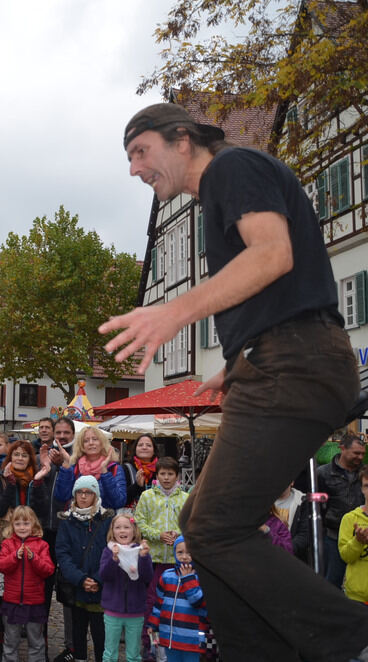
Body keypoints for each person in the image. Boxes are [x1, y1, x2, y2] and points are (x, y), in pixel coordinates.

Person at [105, 102, 368, 660]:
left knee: (215, 528)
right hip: (282, 361)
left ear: (182, 140)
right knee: (196, 521)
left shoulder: (231, 168)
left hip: (295, 365)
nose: (134, 169)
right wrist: (237, 362)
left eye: (140, 152)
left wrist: (173, 313)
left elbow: (273, 254)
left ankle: (350, 636)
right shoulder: (221, 189)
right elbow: (282, 290)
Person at [132, 456, 187, 661]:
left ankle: (173, 645)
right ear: (157, 475)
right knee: (151, 603)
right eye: (162, 473)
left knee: (174, 604)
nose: (166, 478)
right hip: (153, 559)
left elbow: (190, 524)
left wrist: (177, 536)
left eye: (170, 474)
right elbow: (139, 523)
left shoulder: (185, 498)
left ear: (177, 476)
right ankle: (150, 646)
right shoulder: (147, 496)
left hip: (176, 561)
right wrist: (158, 534)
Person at [56, 475, 113, 662]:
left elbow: (111, 552)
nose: (83, 496)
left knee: (100, 635)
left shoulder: (106, 520)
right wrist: (80, 579)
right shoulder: (66, 521)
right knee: (78, 633)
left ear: (95, 495)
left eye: (88, 492)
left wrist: (97, 579)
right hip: (76, 588)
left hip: (100, 588)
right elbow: (62, 554)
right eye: (79, 492)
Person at [0, 506, 54, 662]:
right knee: (11, 641)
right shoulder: (8, 544)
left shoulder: (42, 545)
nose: (22, 527)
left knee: (36, 641)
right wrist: (15, 556)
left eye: (26, 523)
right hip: (12, 602)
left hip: (34, 602)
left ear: (33, 525)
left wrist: (34, 558)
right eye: (18, 524)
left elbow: (48, 570)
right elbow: (1, 565)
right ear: (12, 526)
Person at [99, 515, 152, 662]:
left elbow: (147, 577)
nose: (122, 530)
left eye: (126, 527)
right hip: (112, 611)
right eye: (118, 527)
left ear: (134, 531)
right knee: (109, 653)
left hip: (135, 612)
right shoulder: (109, 551)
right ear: (112, 531)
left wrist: (143, 558)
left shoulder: (140, 551)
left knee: (134, 655)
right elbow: (104, 575)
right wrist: (114, 560)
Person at [316, 432, 366, 587]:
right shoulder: (323, 474)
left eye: (363, 454)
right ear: (342, 449)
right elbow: (317, 507)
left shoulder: (364, 474)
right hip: (333, 536)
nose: (360, 457)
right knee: (332, 583)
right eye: (356, 453)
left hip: (362, 536)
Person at [148, 537, 208, 662]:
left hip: (193, 639)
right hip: (170, 637)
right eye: (180, 552)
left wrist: (188, 579)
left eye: (190, 552)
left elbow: (198, 602)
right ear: (174, 553)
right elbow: (159, 603)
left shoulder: (202, 577)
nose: (184, 557)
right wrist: (153, 624)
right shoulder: (167, 575)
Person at [53, 426, 125, 511]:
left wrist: (105, 473)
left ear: (102, 443)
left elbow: (119, 502)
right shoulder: (75, 468)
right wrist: (66, 466)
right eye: (86, 441)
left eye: (95, 439)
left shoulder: (114, 468)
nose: (91, 443)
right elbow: (61, 497)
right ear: (82, 446)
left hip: (104, 522)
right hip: (76, 522)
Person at [339, 465, 368, 604]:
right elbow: (345, 556)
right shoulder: (350, 518)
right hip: (357, 597)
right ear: (362, 489)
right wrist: (358, 541)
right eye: (367, 486)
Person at [123, 435, 159, 510]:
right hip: (132, 516)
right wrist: (137, 485)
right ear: (135, 449)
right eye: (140, 445)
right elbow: (122, 499)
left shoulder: (160, 469)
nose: (144, 447)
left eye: (148, 445)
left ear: (154, 450)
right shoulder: (126, 468)